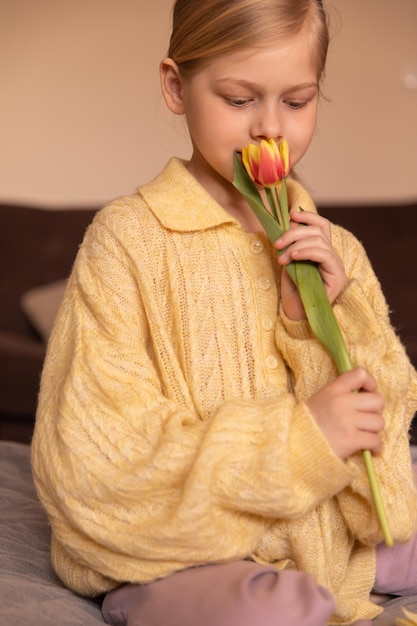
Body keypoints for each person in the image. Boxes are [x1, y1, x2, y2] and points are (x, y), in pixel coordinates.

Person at [31, 0, 417, 624]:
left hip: (325, 535)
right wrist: (299, 441)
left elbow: (385, 442)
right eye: (239, 99)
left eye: (297, 101)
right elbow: (93, 465)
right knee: (275, 606)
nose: (271, 129)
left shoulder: (335, 248)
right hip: (185, 552)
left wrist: (323, 323)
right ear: (176, 86)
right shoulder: (127, 240)